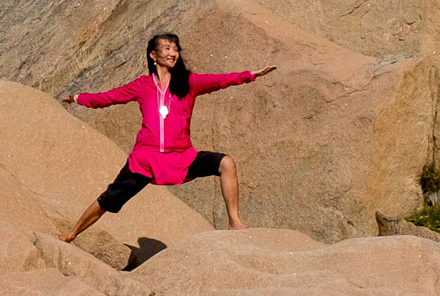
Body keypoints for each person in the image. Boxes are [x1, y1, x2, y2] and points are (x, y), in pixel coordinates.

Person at [56, 33, 276, 242]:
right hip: (145, 160)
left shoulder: (189, 82)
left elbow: (220, 80)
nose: (173, 53)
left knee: (225, 163)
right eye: (168, 48)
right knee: (108, 200)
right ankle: (71, 234)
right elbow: (107, 98)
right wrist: (77, 97)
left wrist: (249, 75)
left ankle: (235, 222)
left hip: (181, 157)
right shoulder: (141, 86)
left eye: (176, 49)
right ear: (153, 55)